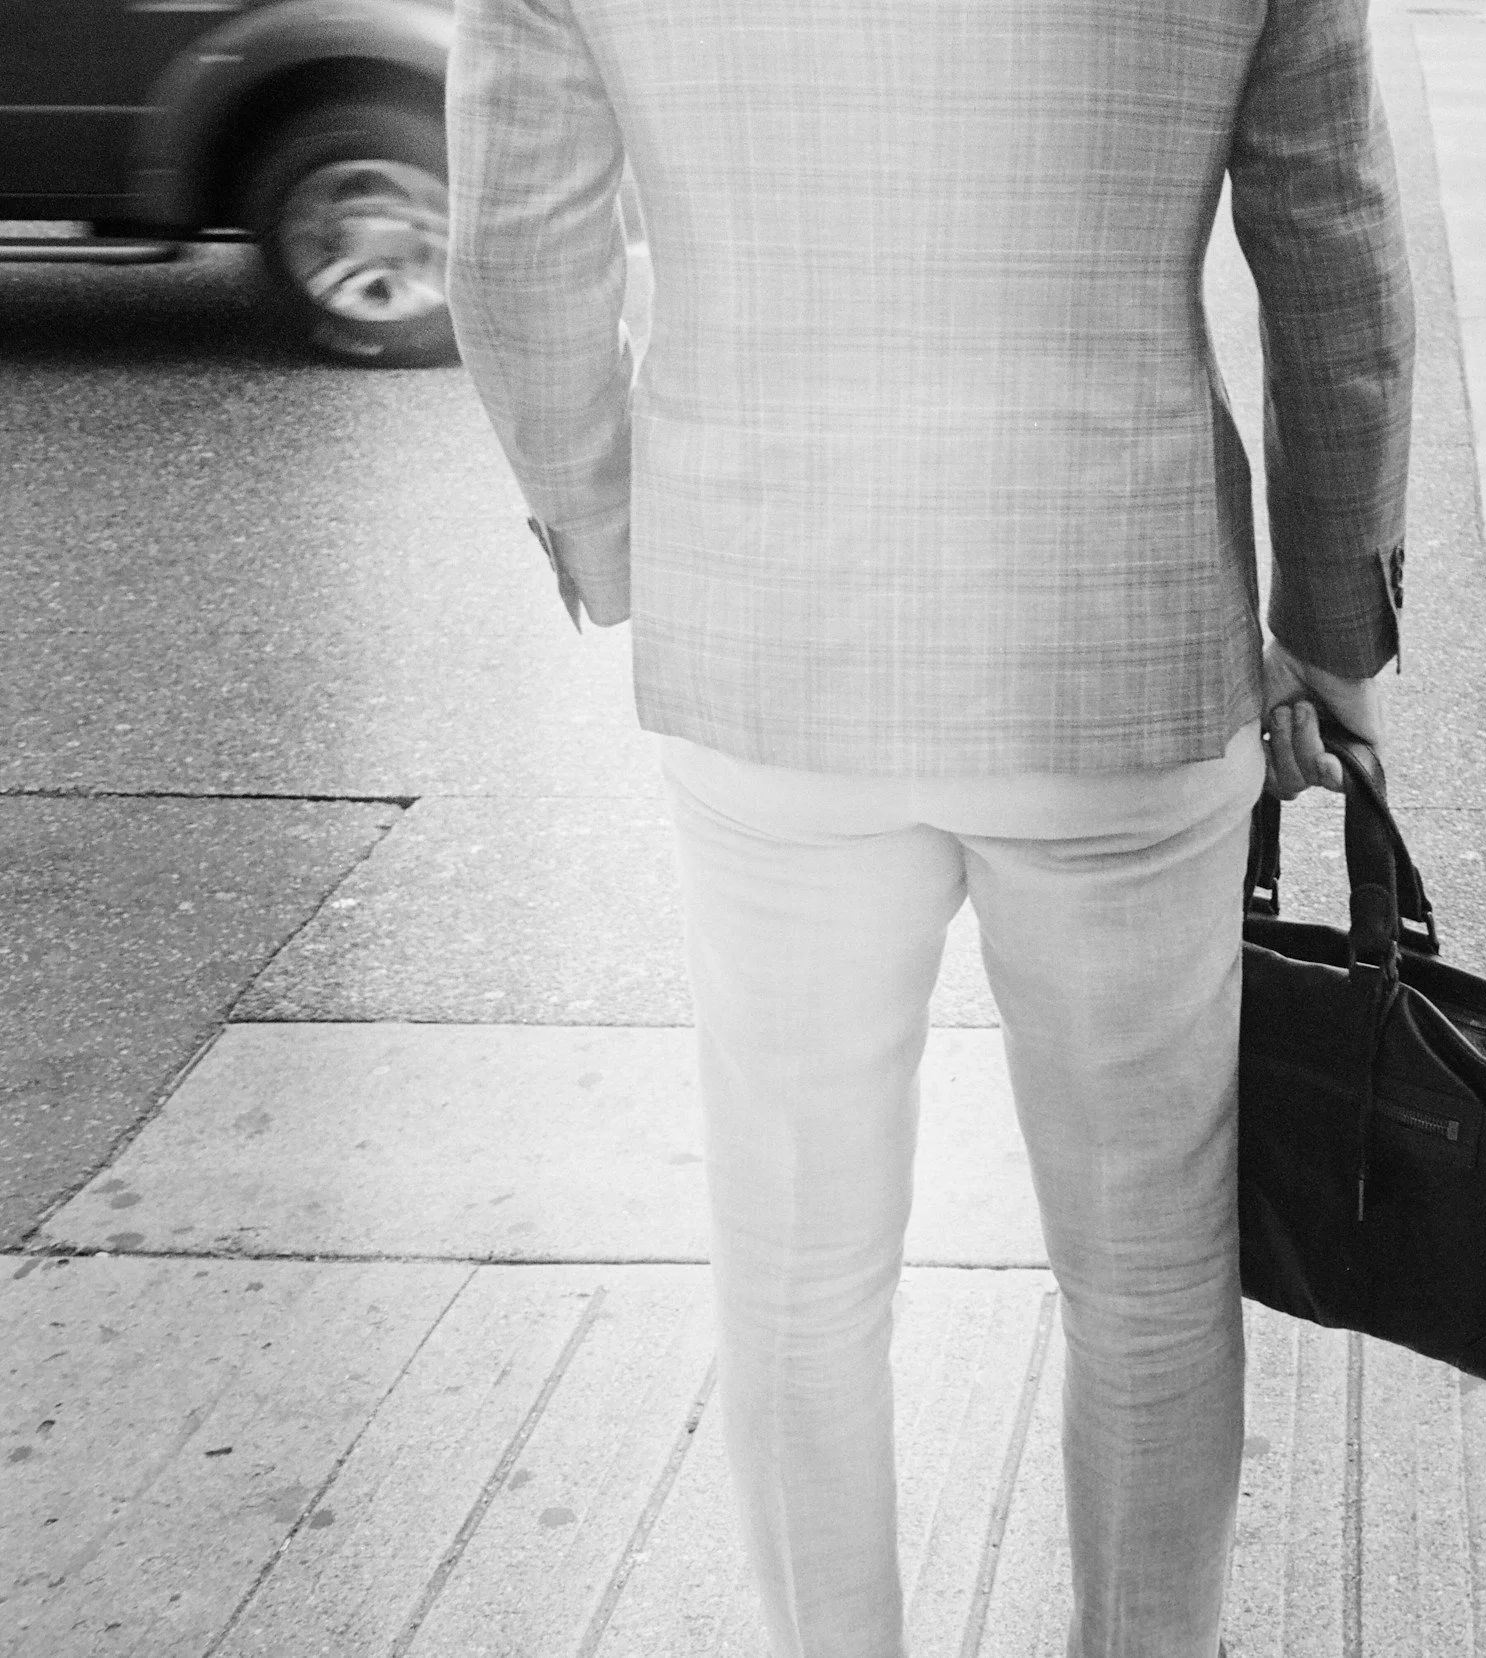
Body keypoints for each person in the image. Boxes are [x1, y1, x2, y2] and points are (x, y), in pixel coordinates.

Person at [444, 0, 1414, 1653]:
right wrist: (1333, 630)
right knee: (1150, 1278)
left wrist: (623, 548)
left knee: (799, 1267)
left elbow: (515, 244)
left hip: (773, 642)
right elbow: (1328, 244)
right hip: (1115, 634)